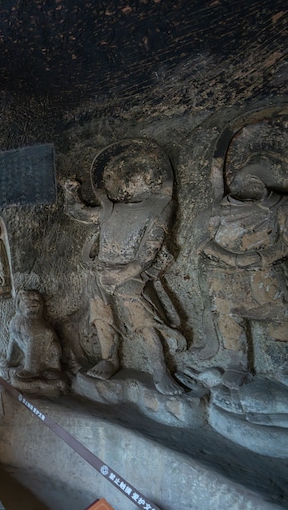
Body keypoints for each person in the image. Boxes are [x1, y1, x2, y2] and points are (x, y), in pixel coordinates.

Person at [63, 144, 185, 395]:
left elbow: (148, 252)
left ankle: (159, 367)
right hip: (102, 269)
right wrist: (70, 194)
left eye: (128, 175)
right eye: (113, 177)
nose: (119, 182)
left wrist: (122, 274)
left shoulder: (160, 207)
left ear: (149, 178)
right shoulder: (111, 209)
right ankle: (109, 358)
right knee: (100, 313)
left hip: (135, 272)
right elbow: (80, 213)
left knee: (139, 312)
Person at [199, 158, 288, 388]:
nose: (250, 183)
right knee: (228, 317)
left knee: (280, 316)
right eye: (244, 178)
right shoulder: (218, 209)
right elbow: (203, 241)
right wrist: (230, 258)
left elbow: (285, 244)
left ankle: (281, 363)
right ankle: (236, 364)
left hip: (263, 275)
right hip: (224, 275)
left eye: (257, 179)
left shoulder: (281, 207)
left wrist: (261, 257)